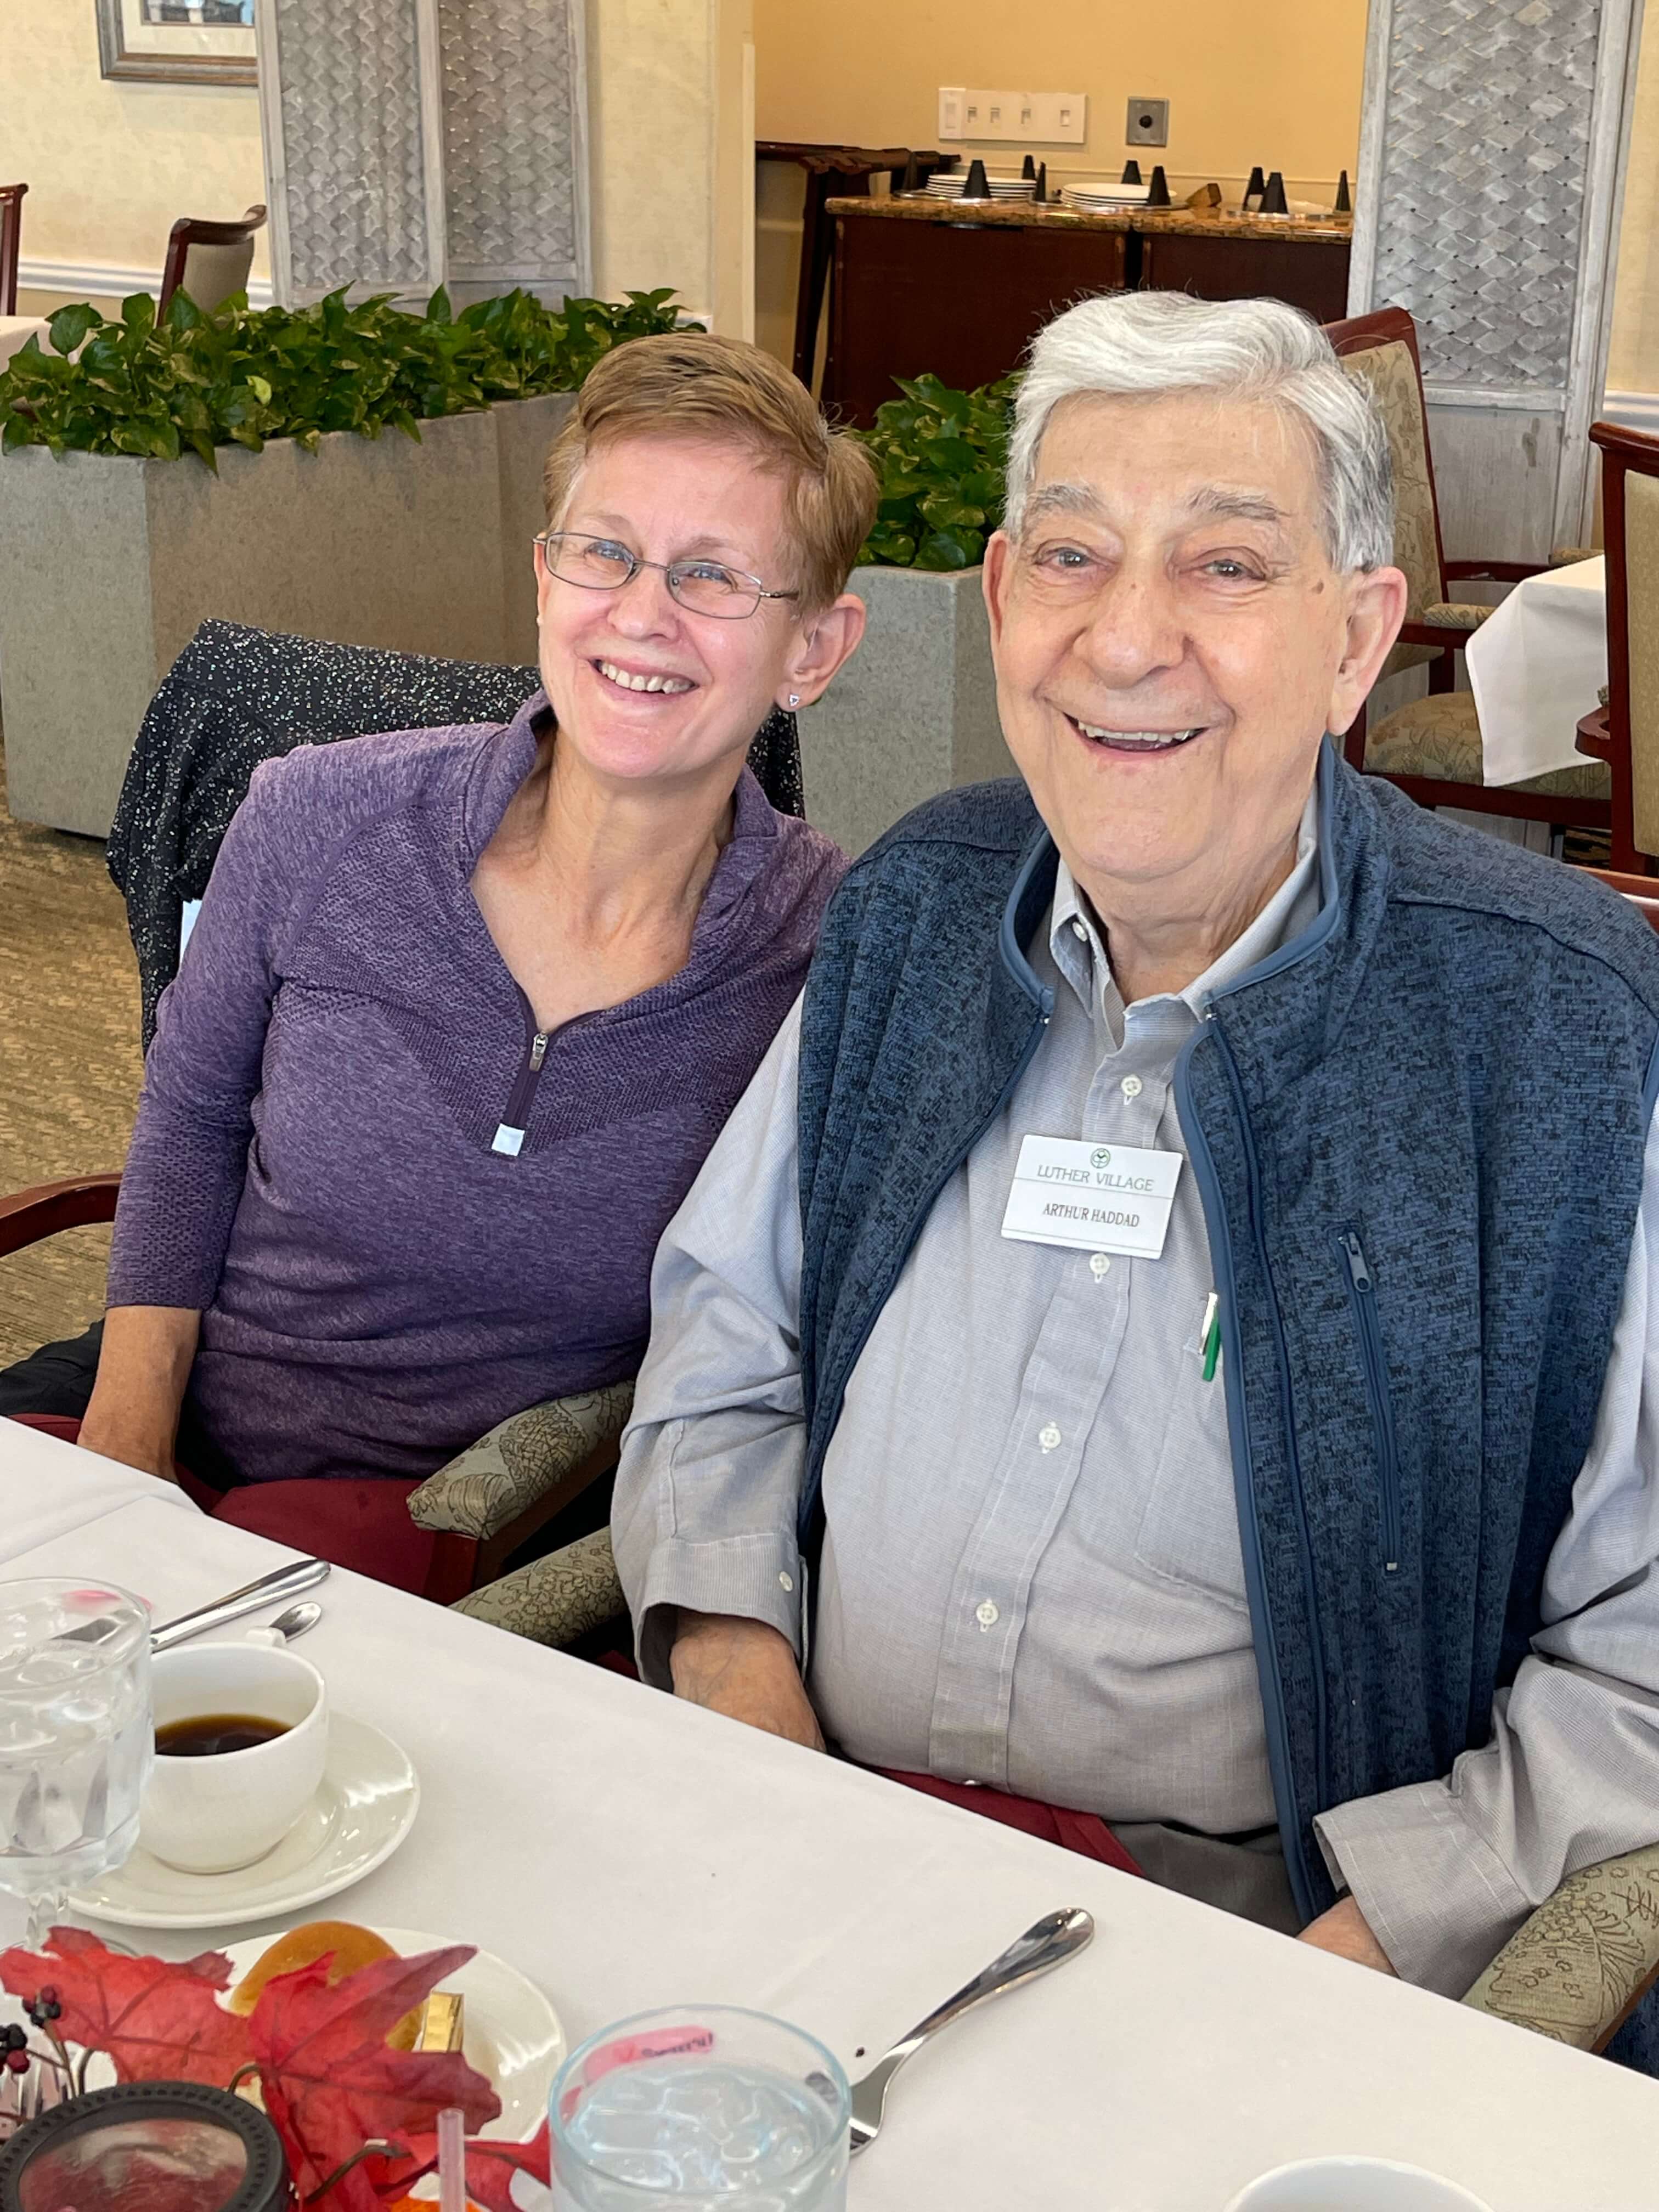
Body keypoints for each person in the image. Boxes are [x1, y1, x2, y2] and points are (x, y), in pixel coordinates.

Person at [611, 291, 1659, 2072]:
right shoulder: (916, 915)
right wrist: (743, 1703)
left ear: (1356, 642)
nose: (1128, 639)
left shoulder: (1555, 1025)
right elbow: (727, 1344)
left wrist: (1359, 1945)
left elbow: (1639, 1651)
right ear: (1006, 604)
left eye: (1227, 567)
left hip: (1246, 1940)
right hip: (816, 1835)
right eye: (1077, 557)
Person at [2, 332, 876, 1579]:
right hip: (165, 1404)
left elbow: (785, 1335)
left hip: (484, 1518)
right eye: (606, 552)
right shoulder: (320, 813)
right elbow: (190, 1117)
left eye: (715, 575)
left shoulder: (831, 949)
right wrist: (128, 1465)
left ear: (814, 651)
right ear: (543, 578)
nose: (641, 612)